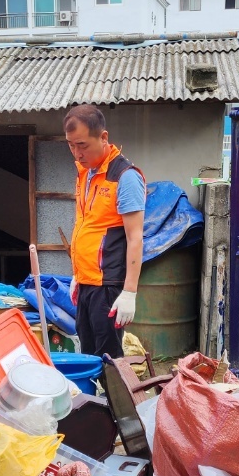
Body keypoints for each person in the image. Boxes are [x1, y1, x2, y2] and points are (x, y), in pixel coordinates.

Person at [63, 103, 146, 360]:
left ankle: (112, 390)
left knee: (108, 358)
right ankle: (92, 390)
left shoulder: (125, 177)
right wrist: (77, 275)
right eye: (71, 145)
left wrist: (129, 291)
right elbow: (87, 226)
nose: (77, 153)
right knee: (87, 355)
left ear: (103, 137)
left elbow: (135, 237)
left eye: (82, 145)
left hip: (108, 285)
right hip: (87, 282)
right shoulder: (86, 174)